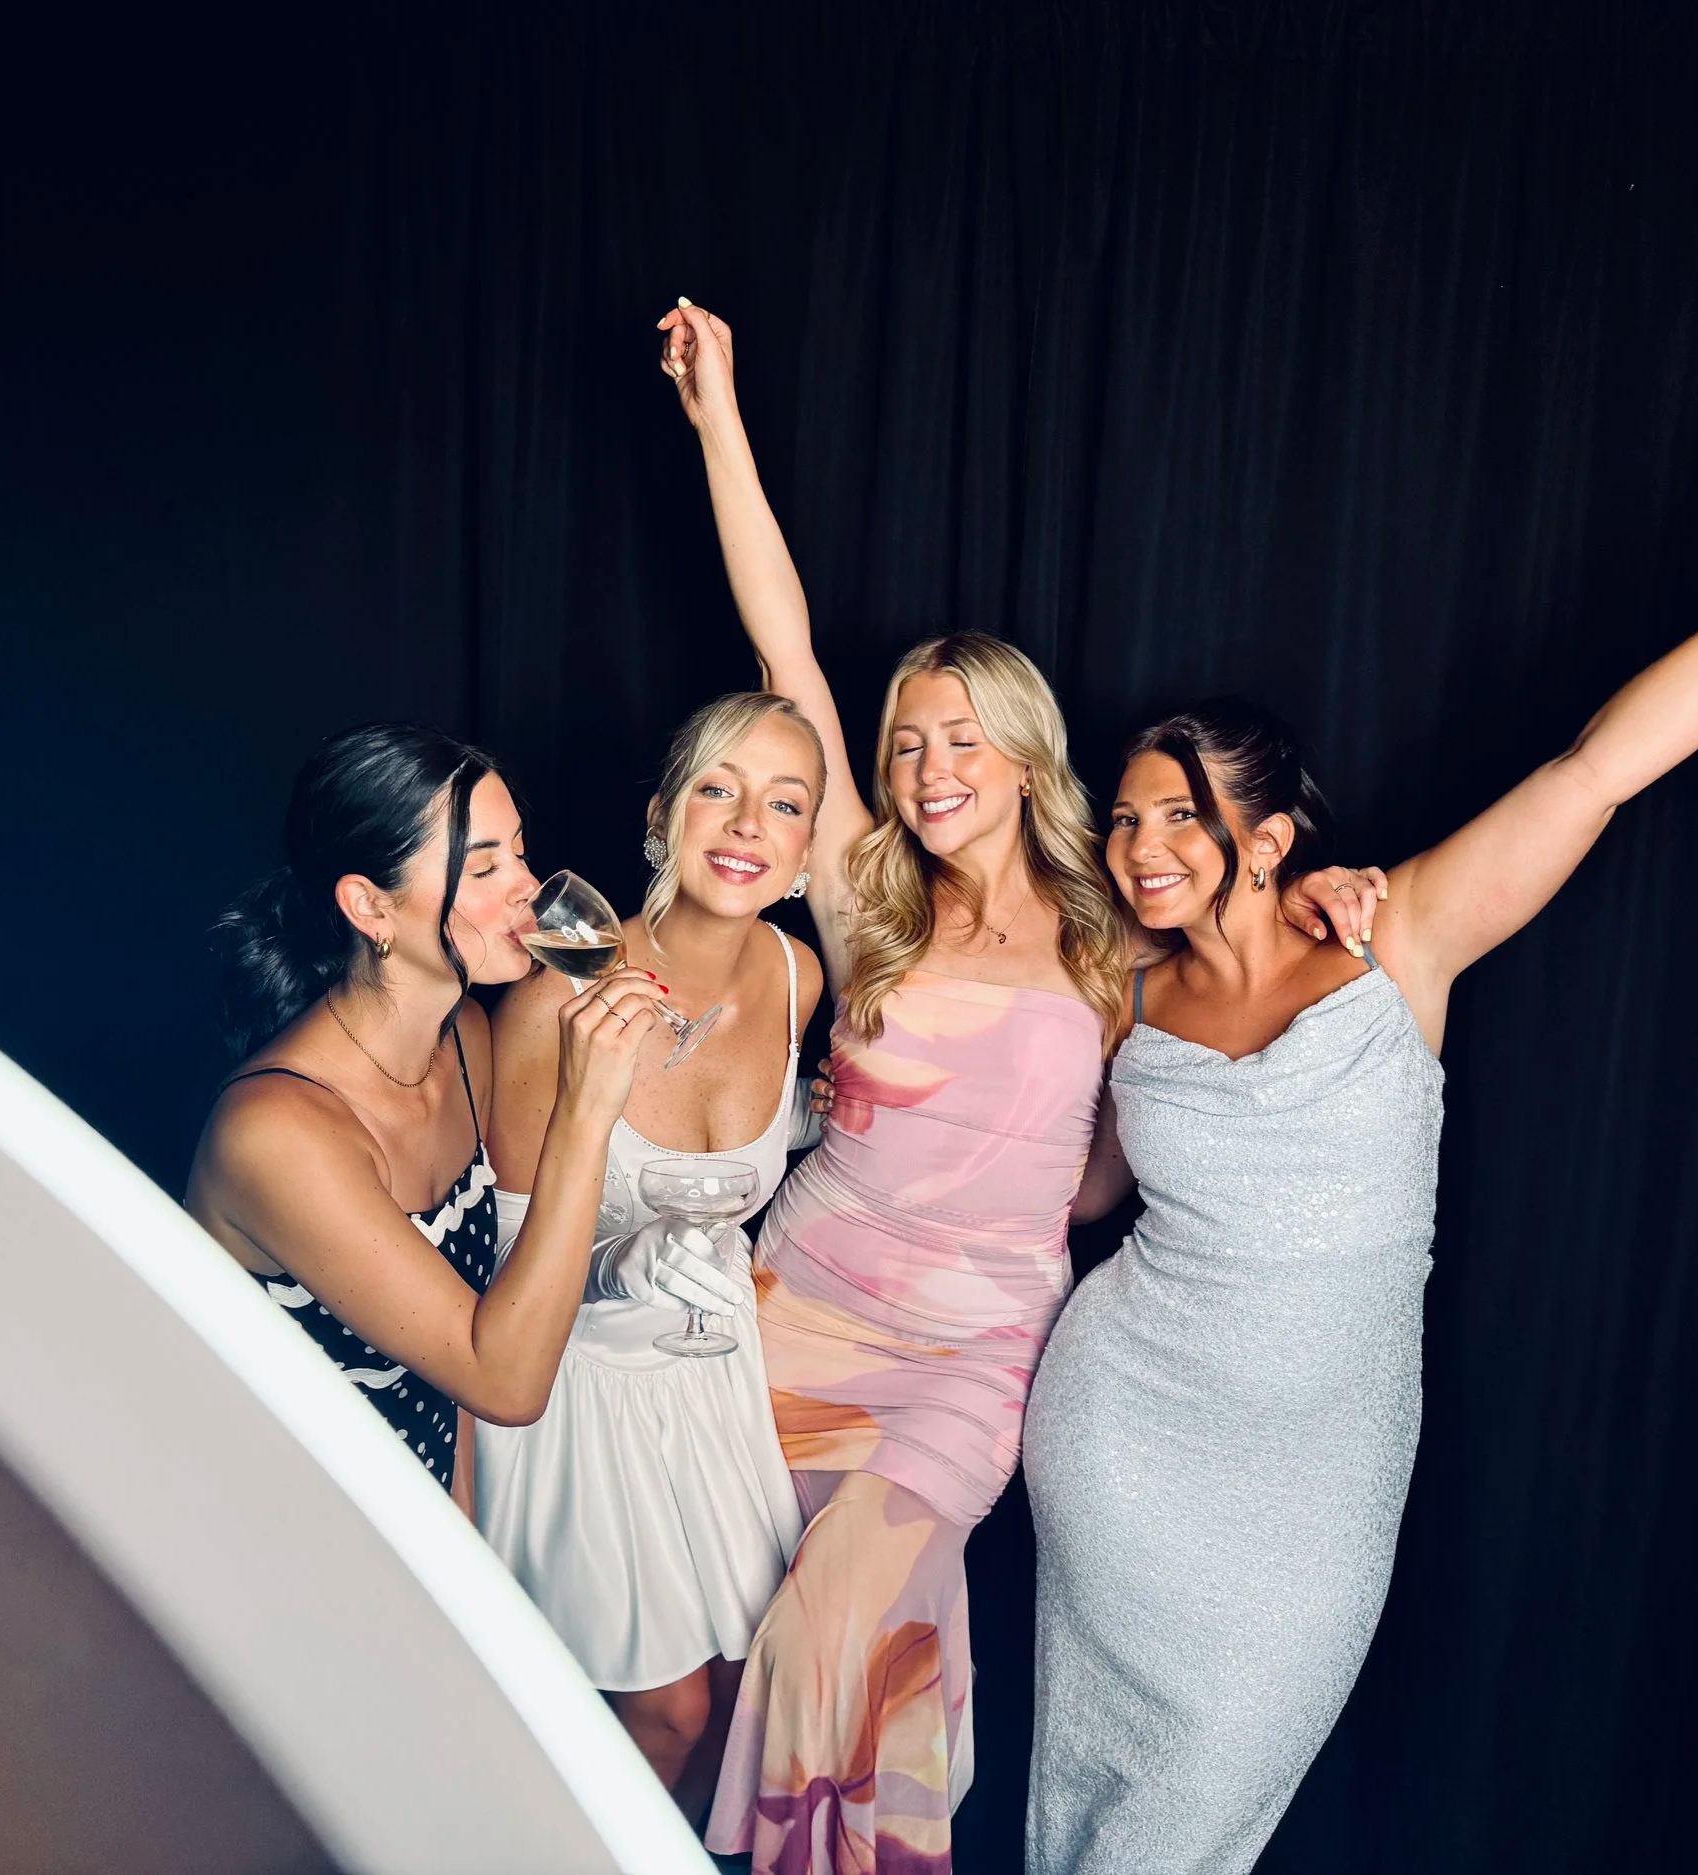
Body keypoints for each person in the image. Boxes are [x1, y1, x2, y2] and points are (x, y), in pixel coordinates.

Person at [655, 298, 1383, 1875]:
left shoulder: (1120, 923)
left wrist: (1348, 900)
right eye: (908, 738)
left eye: (960, 738)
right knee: (738, 1653)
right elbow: (783, 649)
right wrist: (718, 417)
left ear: (1024, 753)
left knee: (842, 1611)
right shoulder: (860, 891)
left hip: (973, 1345)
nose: (926, 768)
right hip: (795, 1302)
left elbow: (1206, 1021)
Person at [1022, 564, 1698, 1874]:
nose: (1138, 846)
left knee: (1190, 1810)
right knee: (1082, 1800)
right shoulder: (1124, 997)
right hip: (1118, 1435)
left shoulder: (1397, 940)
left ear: (1266, 841)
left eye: (1180, 818)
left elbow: (1590, 770)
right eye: (1126, 818)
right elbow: (1079, 1191)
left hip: (1311, 1491)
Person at [474, 690, 828, 1822]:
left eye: (784, 803)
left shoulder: (796, 977)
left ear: (807, 850)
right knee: (663, 1710)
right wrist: (624, 1258)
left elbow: (755, 1144)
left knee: (734, 1700)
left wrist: (809, 1123)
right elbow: (510, 1267)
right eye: (717, 790)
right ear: (663, 815)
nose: (745, 825)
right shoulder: (556, 995)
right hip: (577, 1386)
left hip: (711, 1386)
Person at [187, 723, 665, 1502]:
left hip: (414, 1530)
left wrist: (465, 1546)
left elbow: (456, 1378)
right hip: (280, 1530)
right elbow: (506, 1382)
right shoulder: (277, 1132)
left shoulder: (467, 1042)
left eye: (519, 850)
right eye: (484, 866)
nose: (527, 886)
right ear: (369, 906)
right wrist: (583, 1116)